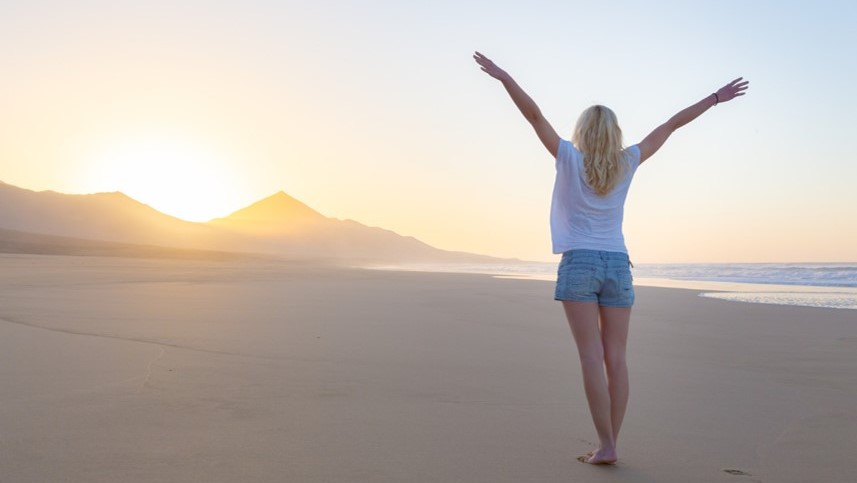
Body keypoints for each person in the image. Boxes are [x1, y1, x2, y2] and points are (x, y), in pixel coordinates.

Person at [473, 51, 748, 465]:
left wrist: (504, 77)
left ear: (582, 132)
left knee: (591, 357)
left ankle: (607, 445)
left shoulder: (568, 156)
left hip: (580, 263)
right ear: (615, 133)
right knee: (616, 357)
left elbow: (533, 116)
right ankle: (609, 443)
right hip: (619, 265)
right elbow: (671, 125)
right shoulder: (628, 161)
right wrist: (714, 98)